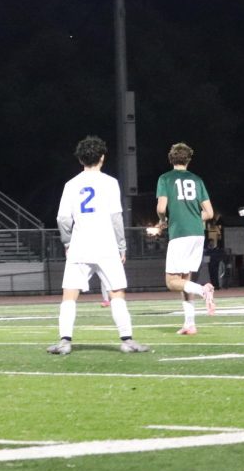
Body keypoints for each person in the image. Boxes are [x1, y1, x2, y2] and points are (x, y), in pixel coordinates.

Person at [47, 136, 149, 355]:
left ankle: (65, 341)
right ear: (102, 157)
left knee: (69, 295)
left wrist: (67, 242)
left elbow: (63, 219)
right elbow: (116, 218)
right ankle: (127, 340)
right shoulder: (110, 182)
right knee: (117, 293)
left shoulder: (71, 184)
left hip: (80, 244)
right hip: (106, 245)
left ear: (80, 159)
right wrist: (122, 246)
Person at [155, 142, 216, 336]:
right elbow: (209, 212)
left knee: (172, 281)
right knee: (185, 279)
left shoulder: (165, 178)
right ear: (188, 159)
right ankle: (190, 323)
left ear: (170, 158)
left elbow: (161, 208)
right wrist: (193, 219)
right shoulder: (197, 180)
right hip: (197, 233)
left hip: (179, 233)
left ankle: (203, 290)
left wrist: (163, 221)